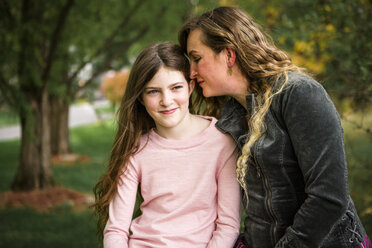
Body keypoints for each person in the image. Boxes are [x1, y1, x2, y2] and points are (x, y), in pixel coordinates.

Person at [178, 6, 370, 248]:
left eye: (196, 58)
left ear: (229, 54)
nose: (191, 73)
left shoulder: (298, 94)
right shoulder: (230, 116)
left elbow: (328, 198)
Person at [93, 42, 241, 248]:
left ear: (190, 87)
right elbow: (116, 230)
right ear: (141, 99)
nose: (166, 100)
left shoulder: (222, 141)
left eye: (176, 88)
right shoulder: (137, 149)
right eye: (153, 91)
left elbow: (228, 225)